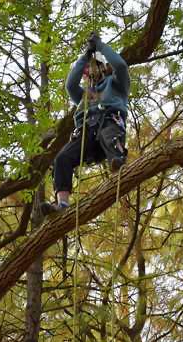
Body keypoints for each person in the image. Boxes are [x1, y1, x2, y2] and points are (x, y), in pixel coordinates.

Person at [41, 32, 130, 215]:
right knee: (62, 158)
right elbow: (70, 85)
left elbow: (120, 65)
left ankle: (118, 162)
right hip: (87, 134)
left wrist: (101, 46)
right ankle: (62, 205)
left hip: (109, 123)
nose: (92, 72)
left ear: (105, 68)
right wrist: (86, 55)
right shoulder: (84, 96)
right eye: (88, 70)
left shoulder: (116, 85)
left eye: (95, 67)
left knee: (108, 135)